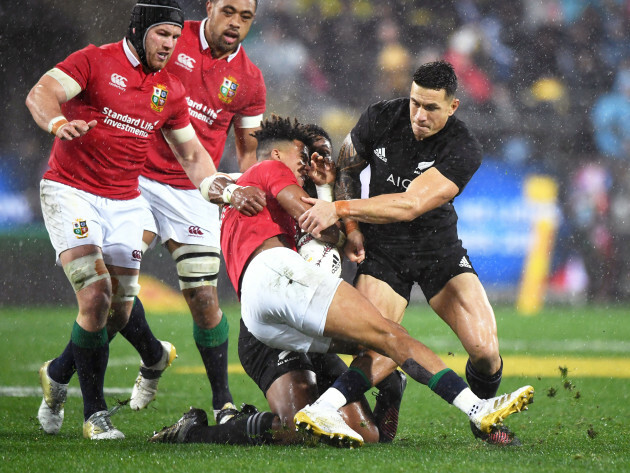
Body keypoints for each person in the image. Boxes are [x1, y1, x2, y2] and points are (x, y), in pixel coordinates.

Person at [150, 115, 534, 447]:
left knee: (354, 414)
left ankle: (197, 433)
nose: (308, 167)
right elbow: (315, 225)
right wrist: (323, 197)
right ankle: (476, 407)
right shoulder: (269, 171)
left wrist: (323, 193)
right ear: (282, 153)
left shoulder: (273, 198)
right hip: (275, 279)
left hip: (266, 309)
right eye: (305, 158)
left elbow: (328, 241)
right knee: (390, 335)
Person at [26, 0, 228, 440]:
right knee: (95, 295)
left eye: (175, 38)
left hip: (124, 201)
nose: (169, 46)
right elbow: (40, 92)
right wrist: (58, 122)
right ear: (138, 30)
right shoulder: (94, 61)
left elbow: (192, 154)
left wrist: (223, 190)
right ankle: (94, 416)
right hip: (71, 191)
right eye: (161, 35)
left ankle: (57, 378)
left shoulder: (170, 89)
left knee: (117, 311)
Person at [298, 60, 520, 445]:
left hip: (439, 251)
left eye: (431, 108)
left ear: (453, 107)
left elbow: (411, 204)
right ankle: (391, 387)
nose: (419, 114)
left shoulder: (464, 147)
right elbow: (348, 168)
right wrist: (351, 230)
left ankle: (483, 414)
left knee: (485, 352)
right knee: (373, 343)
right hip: (386, 251)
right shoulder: (382, 117)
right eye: (416, 102)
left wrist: (339, 210)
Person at [150, 122, 405, 446]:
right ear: (285, 154)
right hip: (272, 328)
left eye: (325, 156)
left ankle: (389, 384)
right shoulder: (273, 184)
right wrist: (231, 191)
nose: (315, 164)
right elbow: (214, 184)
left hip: (312, 321)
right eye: (309, 155)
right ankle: (195, 432)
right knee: (298, 429)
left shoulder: (317, 206)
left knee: (365, 435)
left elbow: (330, 249)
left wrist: (330, 201)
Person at [131, 0, 266, 422]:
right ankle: (153, 355)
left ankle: (222, 401)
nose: (235, 23)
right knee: (110, 288)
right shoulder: (172, 36)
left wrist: (250, 198)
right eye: (228, 11)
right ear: (209, 6)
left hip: (196, 190)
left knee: (205, 299)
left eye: (245, 17)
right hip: (138, 178)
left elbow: (247, 151)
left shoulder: (250, 79)